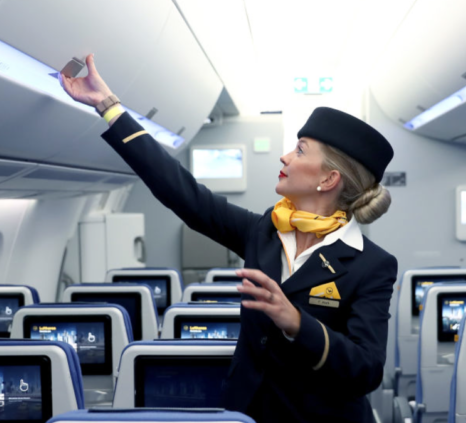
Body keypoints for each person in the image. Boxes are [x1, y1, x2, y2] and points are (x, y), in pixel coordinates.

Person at [61, 54, 398, 423]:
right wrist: (109, 107)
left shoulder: (370, 264)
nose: (285, 157)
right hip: (248, 414)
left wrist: (297, 323)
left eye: (300, 150)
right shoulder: (265, 232)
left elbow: (367, 369)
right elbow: (183, 193)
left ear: (329, 180)